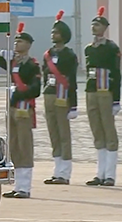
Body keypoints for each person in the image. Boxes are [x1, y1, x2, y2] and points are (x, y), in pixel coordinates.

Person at [0, 23, 41, 199]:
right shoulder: (12, 62)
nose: (17, 44)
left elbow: (36, 89)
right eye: (16, 41)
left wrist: (18, 93)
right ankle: (18, 185)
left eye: (21, 42)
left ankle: (25, 187)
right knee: (14, 146)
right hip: (12, 108)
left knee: (25, 147)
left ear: (28, 45)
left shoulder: (32, 65)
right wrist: (4, 53)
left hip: (24, 109)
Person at [85, 6, 122, 187]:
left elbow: (116, 73)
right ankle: (99, 173)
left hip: (105, 91)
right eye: (93, 24)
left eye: (98, 24)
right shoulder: (89, 49)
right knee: (97, 131)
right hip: (91, 91)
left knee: (109, 131)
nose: (94, 27)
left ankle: (110, 174)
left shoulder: (111, 48)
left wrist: (116, 100)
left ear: (104, 28)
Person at [42, 10, 78, 185]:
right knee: (53, 134)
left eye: (56, 32)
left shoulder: (69, 55)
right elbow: (44, 76)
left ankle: (65, 172)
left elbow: (72, 79)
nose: (53, 35)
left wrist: (74, 105)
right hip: (49, 95)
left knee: (64, 135)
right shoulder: (48, 54)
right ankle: (57, 170)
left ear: (63, 35)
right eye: (52, 32)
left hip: (62, 96)